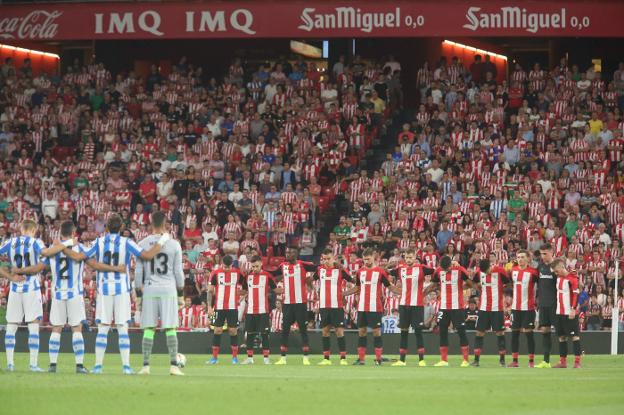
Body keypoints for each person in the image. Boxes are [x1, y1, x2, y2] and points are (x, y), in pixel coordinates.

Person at [13, 221, 123, 373]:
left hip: (57, 294)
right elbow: (91, 263)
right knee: (76, 328)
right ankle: (79, 365)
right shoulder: (79, 247)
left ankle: (52, 365)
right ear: (73, 233)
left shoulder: (52, 249)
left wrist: (19, 270)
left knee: (56, 328)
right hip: (74, 294)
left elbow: (39, 268)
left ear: (60, 234)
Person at [83, 213, 168, 374]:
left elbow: (85, 257)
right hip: (121, 289)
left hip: (104, 289)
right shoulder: (127, 242)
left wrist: (98, 265)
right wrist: (162, 241)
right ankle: (126, 366)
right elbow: (147, 255)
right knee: (122, 327)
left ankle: (98, 366)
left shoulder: (99, 242)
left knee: (103, 328)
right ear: (122, 227)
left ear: (107, 227)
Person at [0, 219, 73, 372]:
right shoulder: (36, 242)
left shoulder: (10, 242)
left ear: (21, 228)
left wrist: (11, 277)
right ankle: (33, 364)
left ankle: (10, 364)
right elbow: (46, 253)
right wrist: (67, 243)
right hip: (31, 287)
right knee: (33, 325)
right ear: (33, 230)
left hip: (15, 288)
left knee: (12, 326)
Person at [135, 211, 185, 376]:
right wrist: (181, 294)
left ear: (150, 222)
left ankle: (146, 366)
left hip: (149, 289)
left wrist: (138, 296)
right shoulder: (174, 244)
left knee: (149, 328)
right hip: (168, 288)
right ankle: (173, 366)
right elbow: (178, 273)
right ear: (166, 224)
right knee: (170, 328)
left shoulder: (142, 243)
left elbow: (137, 273)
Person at [344, 248, 394, 365]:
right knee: (362, 332)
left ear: (374, 257)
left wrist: (402, 292)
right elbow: (357, 287)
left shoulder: (380, 272)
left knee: (377, 332)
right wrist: (343, 294)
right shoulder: (360, 272)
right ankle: (361, 359)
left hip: (375, 307)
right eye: (364, 259)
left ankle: (378, 359)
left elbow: (389, 286)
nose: (366, 261)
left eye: (368, 259)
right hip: (362, 307)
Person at [388, 249, 434, 367]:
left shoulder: (422, 268)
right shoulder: (400, 269)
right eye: (407, 258)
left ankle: (421, 360)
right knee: (404, 332)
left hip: (417, 305)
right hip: (403, 305)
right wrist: (388, 265)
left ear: (415, 257)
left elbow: (436, 272)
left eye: (410, 257)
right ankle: (402, 360)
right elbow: (386, 272)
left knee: (418, 332)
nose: (408, 260)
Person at [273, 247, 316, 365]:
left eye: (290, 252)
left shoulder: (302, 265)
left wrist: (311, 279)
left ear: (296, 254)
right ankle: (283, 358)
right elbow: (272, 274)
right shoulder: (282, 266)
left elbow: (318, 267)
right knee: (285, 330)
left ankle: (306, 357)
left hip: (301, 304)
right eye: (286, 252)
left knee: (303, 330)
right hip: (287, 304)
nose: (287, 253)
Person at [431, 256, 474, 367]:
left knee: (461, 332)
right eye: (444, 269)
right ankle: (444, 360)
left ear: (451, 264)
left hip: (457, 306)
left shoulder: (460, 270)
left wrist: (461, 288)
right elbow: (434, 284)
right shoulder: (438, 271)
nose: (446, 270)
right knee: (443, 332)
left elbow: (470, 283)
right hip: (444, 306)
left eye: (448, 268)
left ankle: (465, 360)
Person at [314, 249, 353, 365]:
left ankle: (343, 359)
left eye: (328, 258)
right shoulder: (320, 270)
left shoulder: (340, 270)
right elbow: (310, 280)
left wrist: (346, 293)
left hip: (337, 306)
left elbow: (354, 281)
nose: (326, 261)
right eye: (324, 259)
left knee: (339, 331)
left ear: (333, 258)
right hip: (324, 306)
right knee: (325, 332)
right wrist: (314, 289)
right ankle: (326, 359)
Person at [240, 256, 282, 365]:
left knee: (264, 334)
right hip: (250, 311)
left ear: (261, 264)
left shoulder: (267, 276)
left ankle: (266, 359)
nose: (255, 268)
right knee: (250, 334)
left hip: (263, 311)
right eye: (253, 266)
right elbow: (243, 291)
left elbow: (275, 290)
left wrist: (286, 288)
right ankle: (250, 358)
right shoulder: (248, 277)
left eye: (257, 266)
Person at [206, 255, 245, 365]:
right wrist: (209, 307)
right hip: (218, 307)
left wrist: (240, 297)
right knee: (216, 330)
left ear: (232, 264)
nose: (226, 269)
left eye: (228, 267)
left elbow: (246, 286)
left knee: (233, 331)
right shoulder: (215, 273)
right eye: (225, 266)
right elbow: (209, 291)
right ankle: (214, 358)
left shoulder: (237, 273)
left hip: (233, 307)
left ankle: (235, 358)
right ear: (222, 263)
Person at [471, 257, 509, 367]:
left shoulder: (500, 271)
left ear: (490, 265)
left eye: (487, 270)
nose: (486, 273)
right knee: (479, 333)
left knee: (500, 333)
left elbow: (508, 283)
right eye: (484, 272)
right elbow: (473, 283)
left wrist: (503, 291)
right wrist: (478, 288)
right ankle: (476, 360)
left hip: (497, 308)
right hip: (483, 308)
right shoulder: (479, 273)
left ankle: (502, 360)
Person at [509, 249, 539, 368]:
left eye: (522, 257)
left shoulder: (533, 272)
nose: (520, 259)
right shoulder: (513, 271)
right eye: (518, 257)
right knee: (514, 334)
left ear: (528, 258)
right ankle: (515, 361)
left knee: (529, 334)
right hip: (515, 308)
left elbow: (541, 285)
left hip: (528, 308)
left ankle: (531, 361)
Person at [551, 259, 583, 368]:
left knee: (574, 337)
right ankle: (563, 362)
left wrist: (573, 309)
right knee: (561, 337)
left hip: (569, 312)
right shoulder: (559, 278)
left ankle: (577, 362)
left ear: (562, 267)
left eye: (556, 271)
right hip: (559, 312)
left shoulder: (572, 278)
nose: (555, 273)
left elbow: (576, 294)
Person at [536, 245, 558, 368]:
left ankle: (563, 360)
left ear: (551, 252)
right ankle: (546, 361)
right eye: (541, 254)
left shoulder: (557, 266)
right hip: (543, 304)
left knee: (561, 333)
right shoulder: (541, 266)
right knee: (545, 330)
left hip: (555, 304)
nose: (543, 256)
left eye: (545, 254)